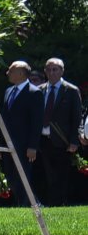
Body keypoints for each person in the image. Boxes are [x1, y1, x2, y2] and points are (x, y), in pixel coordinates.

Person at [37, 58, 81, 206]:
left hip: (62, 140)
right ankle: (49, 203)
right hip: (43, 139)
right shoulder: (40, 90)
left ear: (62, 71)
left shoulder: (71, 91)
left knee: (61, 175)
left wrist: (74, 141)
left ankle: (60, 203)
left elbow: (76, 118)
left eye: (55, 69)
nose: (51, 72)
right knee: (46, 174)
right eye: (48, 69)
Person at [0, 60, 43, 197]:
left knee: (22, 176)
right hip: (8, 143)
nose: (7, 73)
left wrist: (32, 146)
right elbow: (4, 119)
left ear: (20, 73)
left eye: (10, 71)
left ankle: (25, 204)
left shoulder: (34, 93)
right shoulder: (8, 91)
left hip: (24, 145)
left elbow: (37, 122)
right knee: (10, 175)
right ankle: (18, 204)